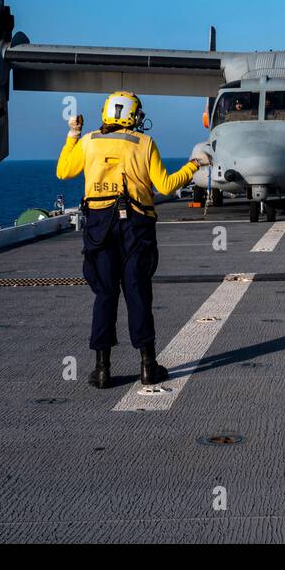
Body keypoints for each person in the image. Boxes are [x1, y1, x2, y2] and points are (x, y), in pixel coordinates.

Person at [56, 91, 210, 389]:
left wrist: (72, 134)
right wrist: (194, 165)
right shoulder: (144, 143)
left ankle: (102, 370)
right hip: (135, 228)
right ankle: (148, 366)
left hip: (99, 227)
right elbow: (165, 185)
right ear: (131, 115)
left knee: (105, 295)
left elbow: (63, 171)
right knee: (137, 293)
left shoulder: (88, 141)